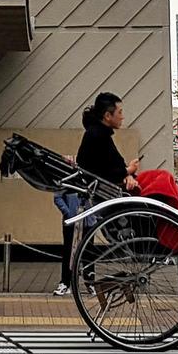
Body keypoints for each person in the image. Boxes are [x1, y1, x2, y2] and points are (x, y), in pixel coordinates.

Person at [57, 93, 141, 297]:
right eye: (119, 112)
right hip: (89, 202)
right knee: (76, 247)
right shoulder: (97, 136)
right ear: (107, 115)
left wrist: (127, 174)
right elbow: (107, 171)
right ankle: (68, 282)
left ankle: (85, 282)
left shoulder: (99, 134)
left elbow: (112, 168)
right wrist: (128, 171)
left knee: (85, 248)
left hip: (99, 197)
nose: (122, 117)